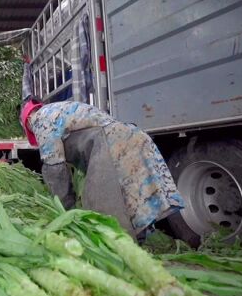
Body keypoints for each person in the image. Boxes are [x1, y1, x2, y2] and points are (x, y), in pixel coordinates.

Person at [20, 96, 185, 237]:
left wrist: (64, 213)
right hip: (133, 136)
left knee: (104, 201)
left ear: (27, 120)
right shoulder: (57, 109)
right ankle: (137, 240)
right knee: (132, 196)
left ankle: (117, 245)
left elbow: (55, 168)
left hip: (113, 143)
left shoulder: (40, 120)